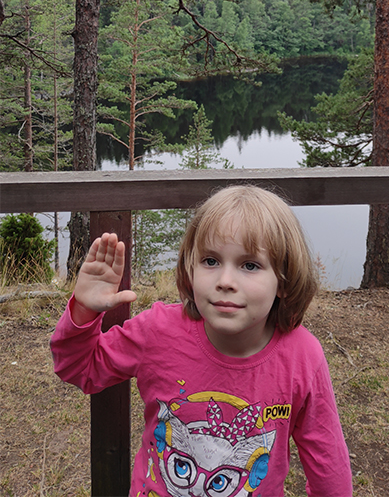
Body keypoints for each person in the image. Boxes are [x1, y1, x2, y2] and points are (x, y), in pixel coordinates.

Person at [51, 185, 353, 496]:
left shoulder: (302, 356)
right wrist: (85, 308)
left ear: (284, 281)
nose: (225, 281)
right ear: (189, 267)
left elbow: (328, 465)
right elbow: (80, 368)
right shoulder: (158, 330)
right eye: (210, 261)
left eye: (250, 265)